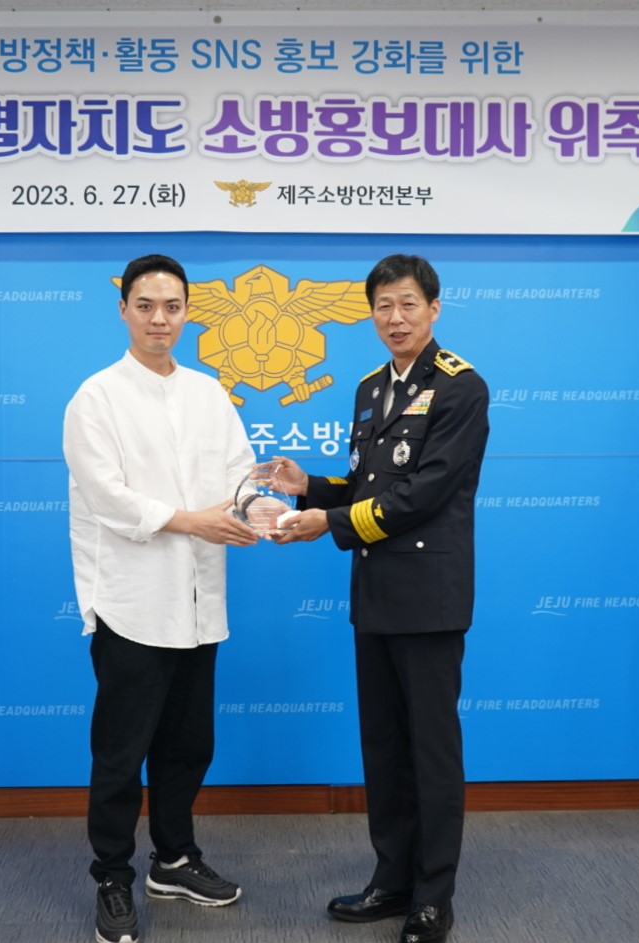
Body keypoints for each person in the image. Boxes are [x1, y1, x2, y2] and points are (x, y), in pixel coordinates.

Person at [267, 254, 489, 943]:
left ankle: (433, 897)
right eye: (384, 306)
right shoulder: (370, 388)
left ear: (434, 309)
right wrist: (309, 487)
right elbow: (371, 483)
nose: (396, 318)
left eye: (408, 304)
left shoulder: (461, 387)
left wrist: (327, 523)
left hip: (429, 599)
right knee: (385, 748)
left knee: (431, 752)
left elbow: (423, 493)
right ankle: (392, 880)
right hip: (376, 595)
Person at [63, 254, 259, 943]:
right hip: (133, 602)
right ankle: (112, 878)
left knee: (188, 745)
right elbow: (108, 498)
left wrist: (264, 511)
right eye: (145, 305)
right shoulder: (96, 398)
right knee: (121, 754)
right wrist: (191, 520)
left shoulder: (209, 393)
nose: (159, 319)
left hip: (200, 601)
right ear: (123, 309)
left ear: (187, 312)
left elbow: (240, 476)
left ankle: (173, 859)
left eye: (172, 306)